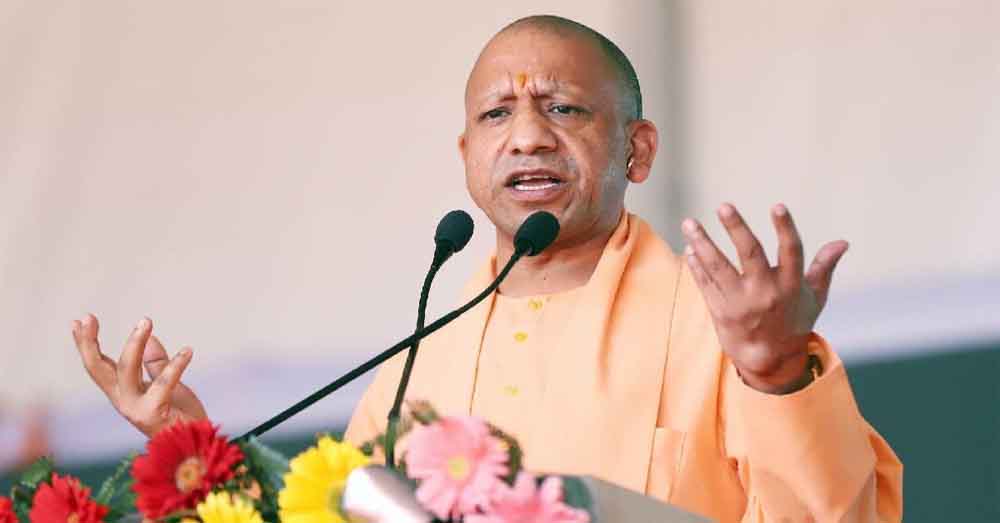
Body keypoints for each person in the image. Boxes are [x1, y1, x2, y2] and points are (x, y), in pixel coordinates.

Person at [71, 15, 902, 522]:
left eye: (564, 107)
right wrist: (194, 446)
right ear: (468, 154)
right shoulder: (418, 360)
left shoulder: (723, 329)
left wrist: (775, 376)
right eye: (498, 113)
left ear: (637, 150)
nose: (528, 135)